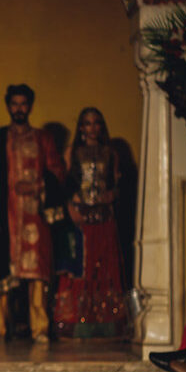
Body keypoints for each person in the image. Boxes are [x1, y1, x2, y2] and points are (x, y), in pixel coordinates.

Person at [0, 83, 66, 343]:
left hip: (33, 216)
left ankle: (40, 329)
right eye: (14, 104)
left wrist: (38, 185)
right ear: (8, 106)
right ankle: (0, 329)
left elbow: (57, 172)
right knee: (1, 273)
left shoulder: (43, 138)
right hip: (5, 214)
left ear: (30, 106)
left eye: (23, 104)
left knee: (36, 274)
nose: (19, 108)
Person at [52, 108, 127, 338]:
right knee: (81, 268)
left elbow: (117, 185)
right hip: (80, 218)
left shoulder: (110, 152)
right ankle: (75, 321)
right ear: (81, 128)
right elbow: (62, 185)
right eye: (87, 123)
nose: (92, 127)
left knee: (105, 267)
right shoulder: (72, 152)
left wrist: (112, 195)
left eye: (96, 123)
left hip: (104, 218)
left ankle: (105, 322)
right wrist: (70, 207)